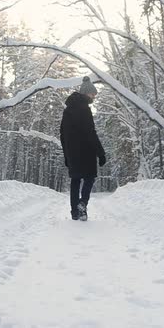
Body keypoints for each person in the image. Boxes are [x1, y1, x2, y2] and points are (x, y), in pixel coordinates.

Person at [60, 76, 106, 221]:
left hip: (72, 152)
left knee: (75, 180)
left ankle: (75, 213)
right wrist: (100, 153)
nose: (94, 97)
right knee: (89, 178)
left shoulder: (67, 111)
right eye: (93, 94)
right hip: (86, 151)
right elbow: (90, 132)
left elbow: (63, 134)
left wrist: (67, 155)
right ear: (86, 93)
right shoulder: (85, 109)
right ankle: (82, 203)